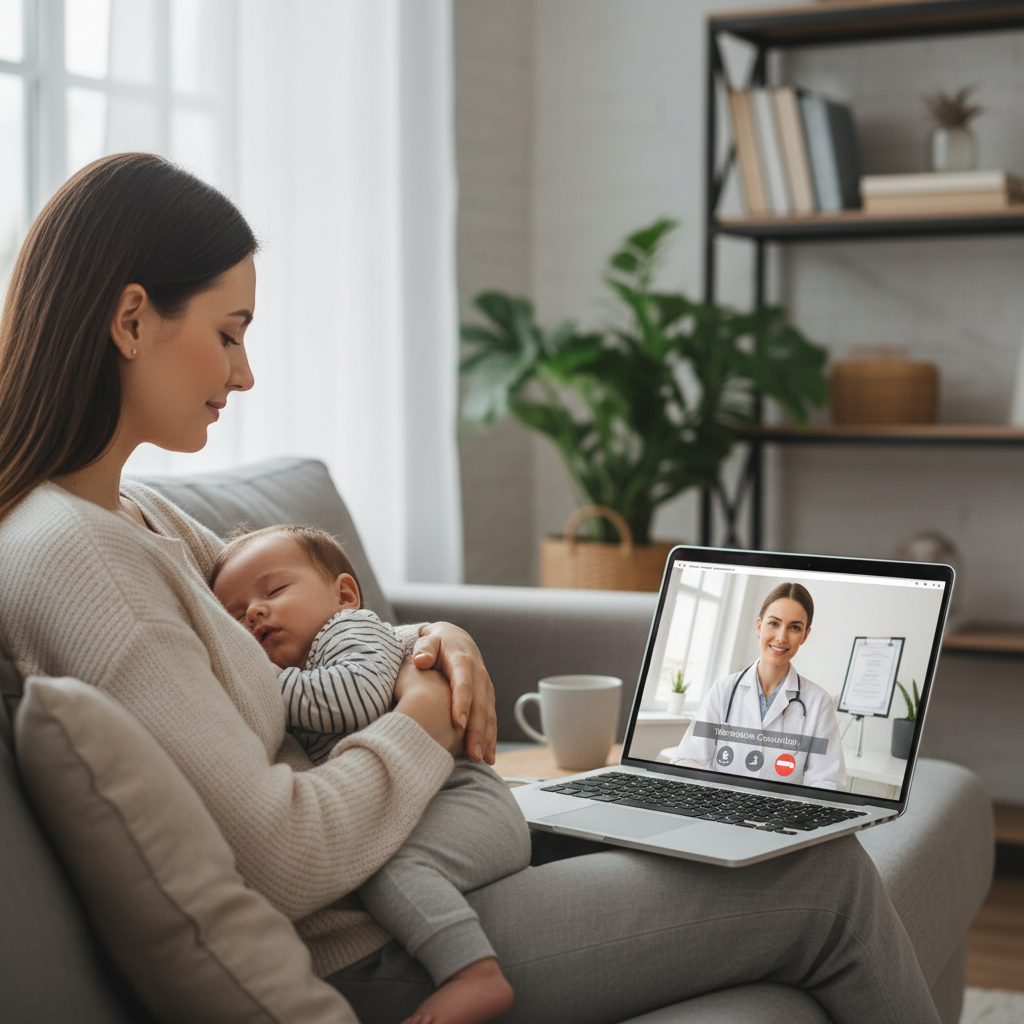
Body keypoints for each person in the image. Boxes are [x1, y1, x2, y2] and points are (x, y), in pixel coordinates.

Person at [0, 152, 944, 1024]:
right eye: (229, 333)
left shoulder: (139, 515)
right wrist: (428, 721)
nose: (246, 374)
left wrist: (436, 637)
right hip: (366, 944)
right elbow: (283, 861)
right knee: (826, 884)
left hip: (394, 864)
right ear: (131, 320)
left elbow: (340, 622)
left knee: (708, 826)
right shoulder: (75, 559)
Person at [210, 523, 531, 1024]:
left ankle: (473, 973)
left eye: (274, 591)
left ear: (344, 595)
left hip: (465, 801)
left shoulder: (349, 631)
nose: (253, 611)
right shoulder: (314, 651)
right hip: (434, 814)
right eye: (234, 616)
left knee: (388, 869)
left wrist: (263, 680)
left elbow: (351, 697)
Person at [673, 583, 847, 791]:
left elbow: (827, 782)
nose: (781, 637)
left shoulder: (818, 703)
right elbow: (689, 760)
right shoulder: (724, 690)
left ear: (805, 636)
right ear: (759, 626)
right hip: (719, 809)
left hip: (782, 817)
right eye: (774, 623)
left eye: (794, 627)